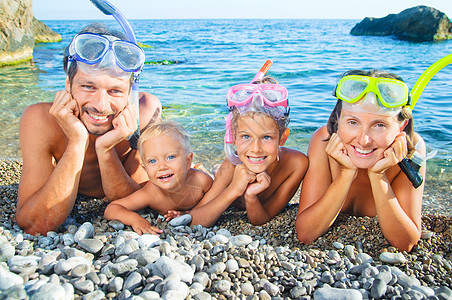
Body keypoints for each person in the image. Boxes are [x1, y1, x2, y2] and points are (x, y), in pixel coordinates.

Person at [16, 23, 162, 235]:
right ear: (68, 84)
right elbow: (35, 224)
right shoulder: (40, 120)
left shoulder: (145, 113)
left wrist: (105, 149)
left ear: (130, 91)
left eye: (115, 90)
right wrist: (76, 141)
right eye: (88, 87)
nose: (101, 105)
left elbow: (140, 200)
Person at [296, 69, 426, 252]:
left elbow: (406, 242)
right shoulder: (323, 141)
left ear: (401, 127)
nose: (364, 140)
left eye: (379, 125)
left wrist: (378, 176)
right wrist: (346, 174)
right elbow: (305, 233)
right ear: (338, 119)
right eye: (352, 122)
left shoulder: (412, 150)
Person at [167, 63, 308, 227]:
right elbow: (196, 220)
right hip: (223, 176)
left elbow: (263, 218)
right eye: (246, 136)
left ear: (282, 138)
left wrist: (250, 196)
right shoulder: (232, 165)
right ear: (232, 136)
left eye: (267, 137)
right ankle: (207, 170)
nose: (255, 149)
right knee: (205, 180)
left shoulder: (296, 164)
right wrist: (233, 189)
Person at [104, 121, 213, 235]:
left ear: (187, 161)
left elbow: (215, 194)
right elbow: (112, 208)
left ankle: (199, 166)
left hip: (191, 172)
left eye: (170, 157)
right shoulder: (150, 193)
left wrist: (191, 213)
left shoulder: (200, 180)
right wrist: (135, 220)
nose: (162, 166)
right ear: (145, 169)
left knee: (207, 172)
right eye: (152, 161)